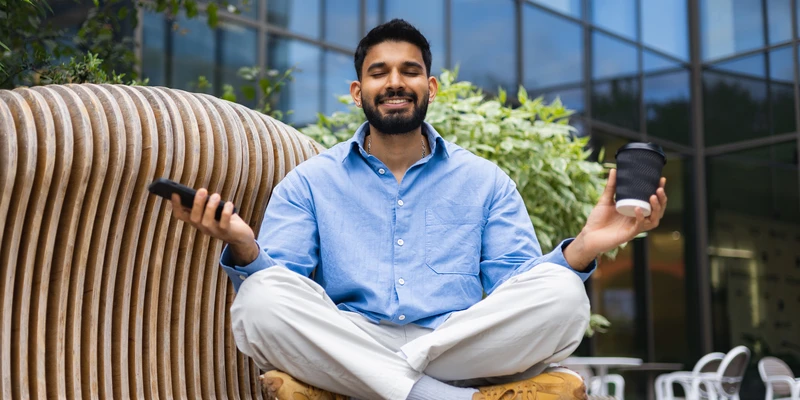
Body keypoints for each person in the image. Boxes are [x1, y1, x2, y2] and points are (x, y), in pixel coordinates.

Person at [171, 19, 667, 400]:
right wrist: (244, 246)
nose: (394, 82)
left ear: (430, 88)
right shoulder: (310, 181)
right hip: (354, 333)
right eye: (378, 72)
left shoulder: (485, 181)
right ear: (356, 92)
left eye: (409, 71)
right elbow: (287, 288)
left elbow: (516, 288)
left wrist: (583, 250)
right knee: (260, 299)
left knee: (563, 293)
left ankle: (390, 382)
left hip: (455, 344)